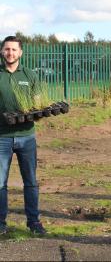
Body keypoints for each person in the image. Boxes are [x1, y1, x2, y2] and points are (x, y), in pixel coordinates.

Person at [0, 36, 46, 235]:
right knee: (0, 182)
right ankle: (1, 223)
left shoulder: (30, 75)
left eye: (14, 50)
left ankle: (33, 222)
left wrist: (38, 112)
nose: (10, 53)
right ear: (2, 52)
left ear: (21, 52)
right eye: (7, 49)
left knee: (31, 181)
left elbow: (37, 104)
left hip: (27, 136)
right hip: (1, 137)